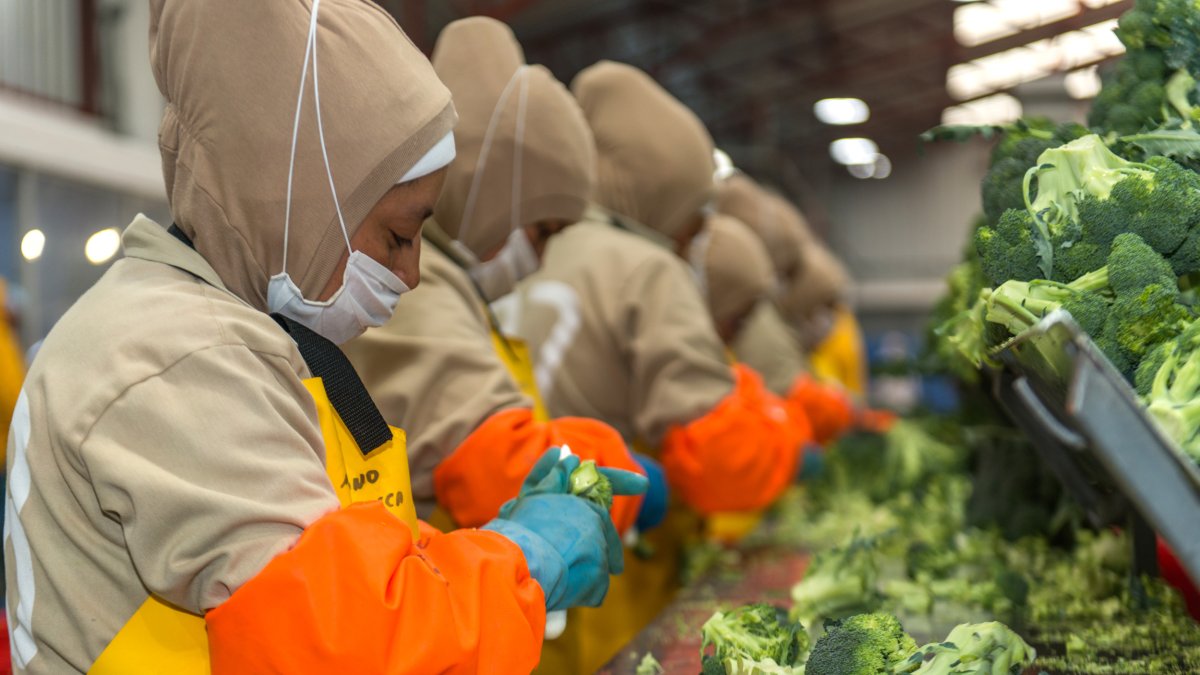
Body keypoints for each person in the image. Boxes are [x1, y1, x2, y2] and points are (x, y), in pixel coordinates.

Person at [3, 2, 643, 673]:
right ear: (297, 200)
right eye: (397, 235)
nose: (413, 272)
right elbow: (341, 641)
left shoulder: (230, 333)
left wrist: (483, 541)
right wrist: (523, 559)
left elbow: (326, 554)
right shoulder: (179, 353)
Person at [496, 61, 810, 662]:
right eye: (693, 225)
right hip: (602, 598)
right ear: (662, 198)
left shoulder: (513, 247)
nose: (693, 245)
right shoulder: (644, 268)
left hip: (505, 587)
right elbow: (724, 464)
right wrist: (784, 435)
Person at [344, 17, 657, 539]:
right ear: (489, 202)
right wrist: (615, 473)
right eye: (541, 231)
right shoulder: (414, 294)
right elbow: (494, 465)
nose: (539, 257)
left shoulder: (459, 288)